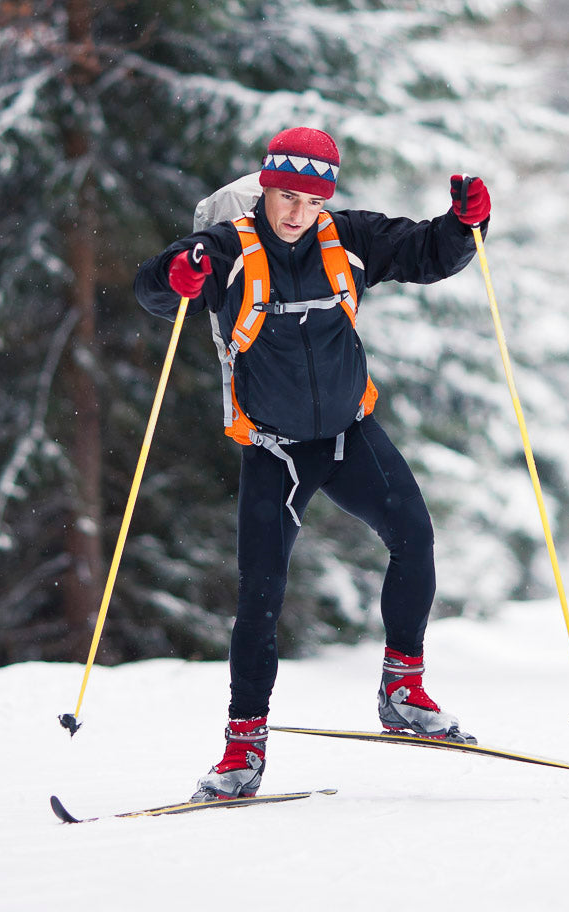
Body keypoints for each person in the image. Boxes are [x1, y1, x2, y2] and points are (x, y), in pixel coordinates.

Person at [134, 127, 491, 800]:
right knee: (260, 598)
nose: (298, 213)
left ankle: (403, 692)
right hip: (276, 451)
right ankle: (242, 753)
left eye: (312, 200)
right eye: (287, 196)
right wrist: (172, 278)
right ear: (267, 187)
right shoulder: (228, 249)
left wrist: (465, 224)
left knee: (415, 538)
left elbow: (424, 251)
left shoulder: (347, 236)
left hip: (351, 437)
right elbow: (157, 288)